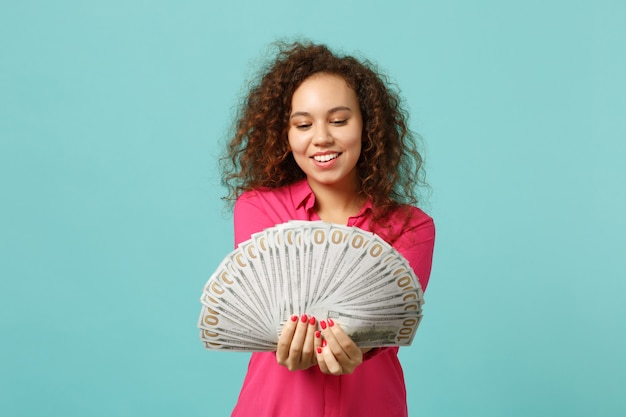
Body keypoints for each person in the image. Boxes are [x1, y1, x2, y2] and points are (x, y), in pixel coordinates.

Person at [220, 40, 435, 417]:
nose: (321, 137)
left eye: (338, 120)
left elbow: (386, 330)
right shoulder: (258, 209)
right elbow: (273, 314)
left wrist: (361, 350)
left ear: (367, 127)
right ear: (284, 135)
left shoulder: (411, 228)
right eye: (303, 124)